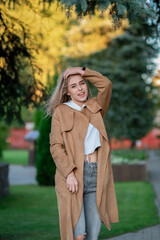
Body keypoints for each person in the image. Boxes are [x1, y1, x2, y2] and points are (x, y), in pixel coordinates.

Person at [46, 66, 119, 240]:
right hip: (73, 177)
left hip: (97, 176)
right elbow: (56, 146)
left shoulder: (96, 107)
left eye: (82, 83)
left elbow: (106, 85)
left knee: (92, 236)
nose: (80, 89)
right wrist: (69, 173)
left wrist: (82, 70)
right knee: (78, 236)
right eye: (73, 86)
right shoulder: (61, 112)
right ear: (67, 91)